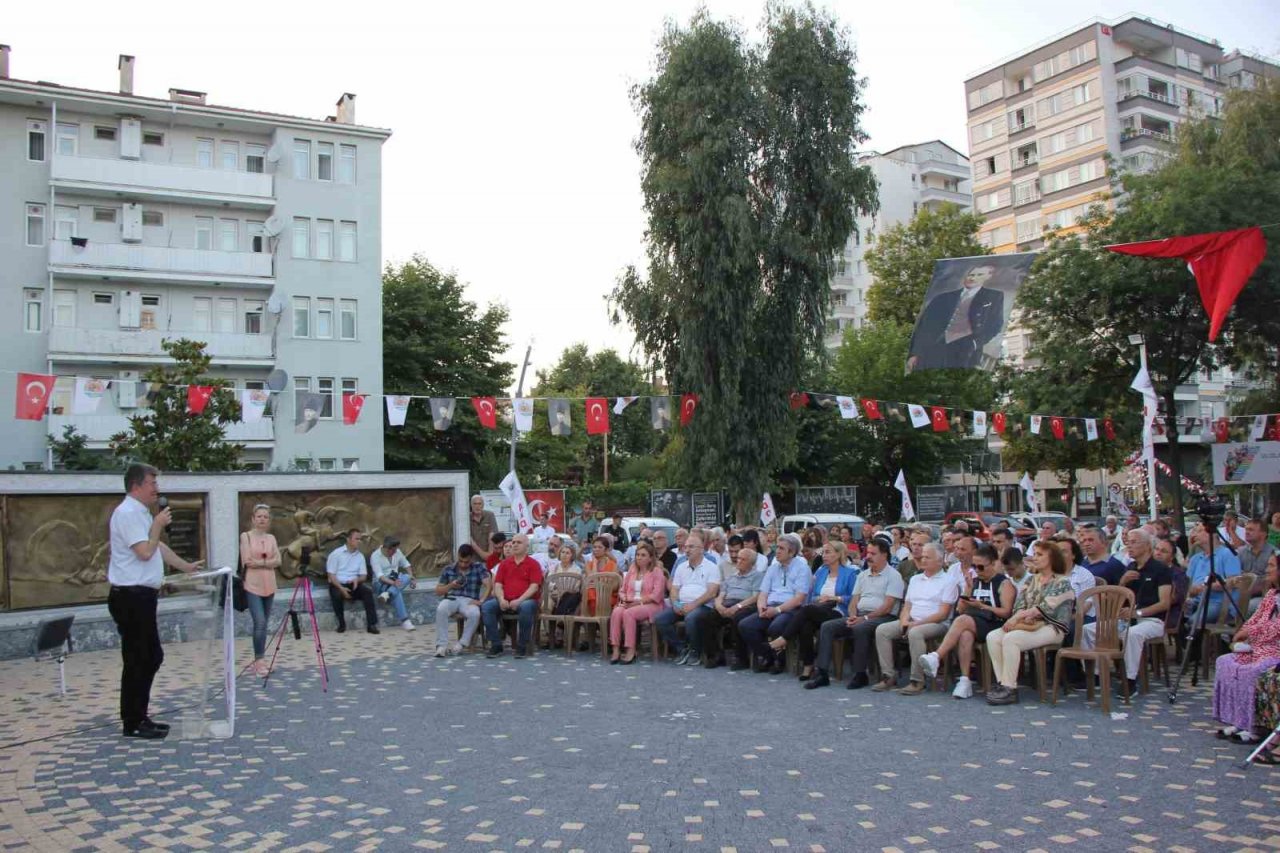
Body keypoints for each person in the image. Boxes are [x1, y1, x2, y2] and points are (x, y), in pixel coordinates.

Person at [108, 463, 204, 739]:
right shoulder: (126, 513)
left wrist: (185, 566)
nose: (157, 489)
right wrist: (159, 525)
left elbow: (157, 546)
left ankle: (140, 716)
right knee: (140, 657)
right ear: (136, 485)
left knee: (150, 656)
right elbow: (145, 552)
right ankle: (133, 721)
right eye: (152, 483)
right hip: (130, 596)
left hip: (143, 597)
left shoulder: (140, 513)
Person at [984, 540, 1076, 705]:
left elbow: (1044, 608)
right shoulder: (1030, 580)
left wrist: (1017, 618)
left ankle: (1009, 688)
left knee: (1011, 639)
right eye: (1035, 554)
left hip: (1052, 627)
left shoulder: (1062, 582)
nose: (1035, 558)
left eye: (1040, 554)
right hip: (1028, 624)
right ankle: (1002, 683)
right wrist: (1021, 616)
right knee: (993, 636)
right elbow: (1020, 605)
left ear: (1052, 558)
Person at [805, 538, 904, 690]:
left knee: (860, 628)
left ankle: (860, 674)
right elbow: (854, 601)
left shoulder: (893, 576)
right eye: (868, 552)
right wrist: (852, 615)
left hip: (884, 617)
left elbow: (887, 606)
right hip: (860, 615)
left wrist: (863, 618)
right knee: (827, 626)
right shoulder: (863, 575)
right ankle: (822, 673)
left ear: (884, 555)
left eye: (873, 553)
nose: (868, 556)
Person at [918, 543, 1014, 699]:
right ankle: (964, 680)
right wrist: (968, 588)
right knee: (965, 635)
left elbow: (1006, 612)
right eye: (975, 567)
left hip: (996, 624)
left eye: (981, 567)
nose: (977, 571)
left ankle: (936, 656)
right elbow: (960, 609)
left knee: (963, 621)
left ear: (993, 564)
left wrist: (982, 606)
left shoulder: (1003, 583)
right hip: (974, 622)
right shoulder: (976, 581)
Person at [1080, 528, 1172, 691]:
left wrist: (1137, 613)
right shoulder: (1130, 567)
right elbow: (1119, 599)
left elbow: (1165, 603)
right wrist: (1122, 582)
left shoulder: (1160, 569)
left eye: (1134, 542)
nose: (1129, 546)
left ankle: (1129, 680)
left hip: (1152, 619)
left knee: (1133, 634)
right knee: (1087, 630)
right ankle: (1095, 674)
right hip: (1126, 618)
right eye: (1127, 542)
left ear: (1147, 546)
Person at [873, 542, 957, 694]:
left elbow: (943, 613)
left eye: (928, 557)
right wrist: (905, 620)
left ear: (940, 560)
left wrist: (916, 624)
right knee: (882, 630)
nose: (923, 560)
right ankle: (889, 675)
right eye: (923, 556)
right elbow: (907, 605)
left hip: (937, 623)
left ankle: (917, 680)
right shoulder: (915, 579)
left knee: (915, 633)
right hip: (913, 620)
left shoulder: (949, 581)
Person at [1212, 554, 1280, 742]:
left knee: (1254, 671)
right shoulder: (1271, 595)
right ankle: (1238, 720)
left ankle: (1255, 726)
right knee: (1226, 663)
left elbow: (1277, 627)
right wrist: (1245, 630)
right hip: (1258, 646)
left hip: (1274, 649)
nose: (1267, 570)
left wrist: (1250, 633)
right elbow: (1255, 618)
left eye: (1272, 566)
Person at [906, 263, 1004, 371]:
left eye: (979, 274)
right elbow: (924, 326)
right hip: (934, 347)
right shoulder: (943, 298)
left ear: (988, 276)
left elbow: (996, 325)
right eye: (971, 275)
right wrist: (914, 353)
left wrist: (975, 344)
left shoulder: (994, 296)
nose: (972, 278)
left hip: (966, 351)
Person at [738, 534, 812, 675]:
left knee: (776, 626)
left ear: (791, 552)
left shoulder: (802, 569)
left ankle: (779, 660)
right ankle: (767, 656)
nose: (777, 551)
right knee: (745, 625)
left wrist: (777, 610)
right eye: (777, 547)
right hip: (770, 607)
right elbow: (763, 593)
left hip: (790, 609)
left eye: (781, 548)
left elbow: (799, 599)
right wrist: (761, 607)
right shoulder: (773, 568)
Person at [791, 542, 858, 680]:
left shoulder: (851, 573)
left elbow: (854, 597)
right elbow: (812, 594)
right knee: (806, 625)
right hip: (819, 608)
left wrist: (835, 598)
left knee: (806, 611)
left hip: (839, 610)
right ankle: (809, 665)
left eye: (828, 552)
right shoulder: (821, 571)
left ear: (839, 554)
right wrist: (819, 599)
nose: (824, 556)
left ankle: (784, 639)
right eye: (823, 552)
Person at [654, 533, 720, 665]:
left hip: (702, 606)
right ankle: (682, 648)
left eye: (691, 547)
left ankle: (695, 650)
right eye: (686, 547)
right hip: (681, 604)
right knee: (660, 619)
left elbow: (712, 593)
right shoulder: (681, 566)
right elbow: (674, 589)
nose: (687, 550)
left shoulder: (711, 567)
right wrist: (676, 604)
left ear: (701, 549)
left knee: (691, 618)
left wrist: (693, 605)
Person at [481, 533, 543, 658]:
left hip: (526, 600)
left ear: (527, 546)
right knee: (487, 607)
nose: (514, 545)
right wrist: (501, 599)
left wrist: (519, 600)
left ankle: (522, 646)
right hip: (505, 599)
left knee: (526, 607)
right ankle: (496, 645)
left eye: (518, 542)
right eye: (513, 542)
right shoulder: (504, 564)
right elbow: (498, 585)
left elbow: (534, 587)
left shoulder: (533, 564)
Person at [702, 547, 764, 669]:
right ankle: (715, 655)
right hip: (727, 603)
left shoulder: (757, 576)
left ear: (751, 563)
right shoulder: (731, 577)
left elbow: (756, 597)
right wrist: (719, 606)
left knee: (738, 619)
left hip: (746, 605)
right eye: (738, 558)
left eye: (743, 559)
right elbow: (721, 594)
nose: (738, 561)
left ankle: (740, 657)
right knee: (708, 617)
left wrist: (737, 606)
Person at [240, 502, 281, 677]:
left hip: (269, 585)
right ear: (253, 519)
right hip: (252, 585)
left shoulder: (271, 538)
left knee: (265, 624)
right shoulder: (246, 536)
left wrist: (261, 563)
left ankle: (261, 659)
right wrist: (267, 563)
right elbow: (247, 561)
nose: (262, 520)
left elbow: (278, 560)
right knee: (260, 622)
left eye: (265, 517)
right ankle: (259, 660)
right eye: (259, 516)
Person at [609, 542, 667, 664]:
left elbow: (657, 595)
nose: (639, 557)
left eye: (643, 555)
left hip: (651, 605)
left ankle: (631, 650)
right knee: (617, 611)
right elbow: (622, 590)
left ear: (651, 558)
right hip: (630, 602)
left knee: (629, 613)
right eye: (638, 555)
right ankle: (615, 649)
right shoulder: (632, 570)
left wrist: (638, 602)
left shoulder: (657, 572)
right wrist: (624, 598)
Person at [433, 545, 490, 657]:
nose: (463, 564)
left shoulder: (478, 567)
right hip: (452, 598)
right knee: (441, 609)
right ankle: (441, 646)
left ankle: (461, 644)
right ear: (457, 556)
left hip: (469, 599)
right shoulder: (449, 569)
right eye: (461, 561)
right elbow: (438, 591)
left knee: (475, 613)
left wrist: (482, 600)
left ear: (472, 558)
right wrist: (450, 585)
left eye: (466, 562)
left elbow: (489, 584)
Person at [1184, 523, 1242, 625]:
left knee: (1193, 622)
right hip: (1196, 600)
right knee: (1176, 618)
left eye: (1199, 531)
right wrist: (1190, 591)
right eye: (1194, 531)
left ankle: (1199, 639)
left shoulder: (1227, 554)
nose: (1194, 535)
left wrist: (1204, 587)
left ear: (1212, 534)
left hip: (1220, 603)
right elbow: (1187, 584)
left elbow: (1234, 581)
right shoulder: (1195, 559)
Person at [327, 528, 380, 635]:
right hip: (337, 584)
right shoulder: (336, 554)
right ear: (348, 539)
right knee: (336, 595)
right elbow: (331, 576)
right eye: (356, 539)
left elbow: (363, 576)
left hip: (353, 584)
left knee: (367, 592)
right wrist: (342, 589)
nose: (359, 541)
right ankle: (341, 624)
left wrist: (357, 579)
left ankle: (371, 625)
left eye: (360, 539)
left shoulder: (360, 556)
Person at [371, 536, 415, 631]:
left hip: (395, 580)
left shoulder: (397, 552)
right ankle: (405, 621)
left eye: (396, 550)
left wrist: (412, 578)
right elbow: (380, 577)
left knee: (407, 577)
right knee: (397, 593)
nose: (395, 552)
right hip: (380, 583)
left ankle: (388, 594)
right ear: (387, 548)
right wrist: (393, 583)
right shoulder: (375, 556)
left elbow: (406, 564)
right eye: (393, 551)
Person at [1240, 519, 1277, 612]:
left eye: (1251, 530)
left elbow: (1274, 581)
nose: (1247, 532)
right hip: (1241, 593)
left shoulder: (1274, 553)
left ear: (1263, 534)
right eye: (1246, 529)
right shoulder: (1241, 551)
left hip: (1264, 595)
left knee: (1249, 607)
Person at [584, 536, 620, 619]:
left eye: (600, 547)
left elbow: (615, 586)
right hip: (593, 596)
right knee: (590, 593)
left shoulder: (612, 564)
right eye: (594, 547)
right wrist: (595, 564)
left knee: (597, 595)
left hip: (608, 596)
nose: (596, 549)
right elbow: (592, 579)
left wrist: (600, 586)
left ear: (606, 550)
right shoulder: (588, 564)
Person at [469, 495, 498, 563]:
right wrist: (483, 554)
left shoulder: (490, 515)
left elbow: (493, 537)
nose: (477, 506)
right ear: (471, 505)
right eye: (475, 504)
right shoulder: (467, 517)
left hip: (489, 559)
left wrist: (487, 555)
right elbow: (470, 541)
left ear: (483, 505)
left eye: (479, 503)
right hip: (472, 560)